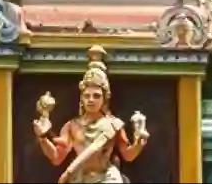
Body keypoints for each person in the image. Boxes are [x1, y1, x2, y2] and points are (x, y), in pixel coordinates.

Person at [32, 46, 148, 183]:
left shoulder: (113, 124)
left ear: (104, 98)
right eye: (87, 96)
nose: (91, 100)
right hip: (79, 178)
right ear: (81, 98)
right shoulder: (72, 126)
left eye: (96, 96)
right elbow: (57, 157)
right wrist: (42, 138)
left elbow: (128, 155)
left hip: (107, 178)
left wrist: (139, 142)